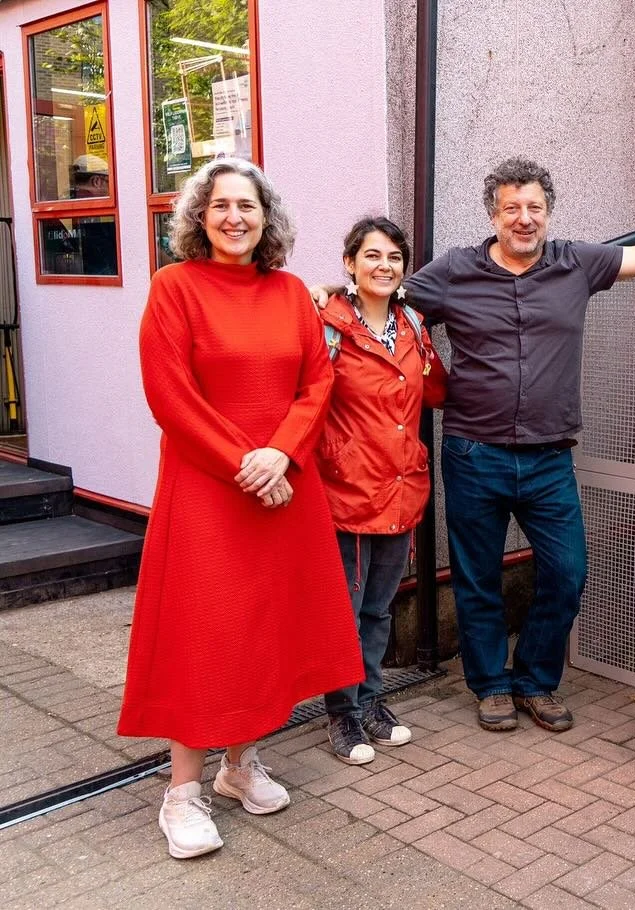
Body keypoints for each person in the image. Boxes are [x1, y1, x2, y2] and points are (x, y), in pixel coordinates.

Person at [401, 157, 635, 734]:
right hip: (473, 452)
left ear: (548, 213)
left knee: (568, 570)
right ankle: (490, 685)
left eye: (534, 208)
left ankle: (534, 679)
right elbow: (385, 296)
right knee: (476, 576)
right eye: (512, 209)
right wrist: (317, 295)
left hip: (550, 457)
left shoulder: (575, 262)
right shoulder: (454, 271)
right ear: (493, 215)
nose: (524, 220)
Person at [118, 158, 363, 859]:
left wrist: (281, 454)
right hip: (207, 493)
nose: (234, 217)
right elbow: (170, 396)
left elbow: (317, 384)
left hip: (283, 487)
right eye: (220, 205)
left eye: (247, 206)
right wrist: (246, 464)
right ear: (200, 217)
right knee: (207, 633)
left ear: (266, 219)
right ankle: (181, 794)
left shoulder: (289, 292)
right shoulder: (174, 288)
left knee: (265, 631)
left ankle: (238, 767)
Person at [317, 217, 448, 764]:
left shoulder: (414, 324)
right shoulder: (327, 322)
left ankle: (372, 699)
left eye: (394, 258)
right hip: (346, 487)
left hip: (400, 486)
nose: (384, 266)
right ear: (350, 263)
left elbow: (434, 392)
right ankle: (341, 713)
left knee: (379, 608)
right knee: (344, 610)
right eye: (372, 256)